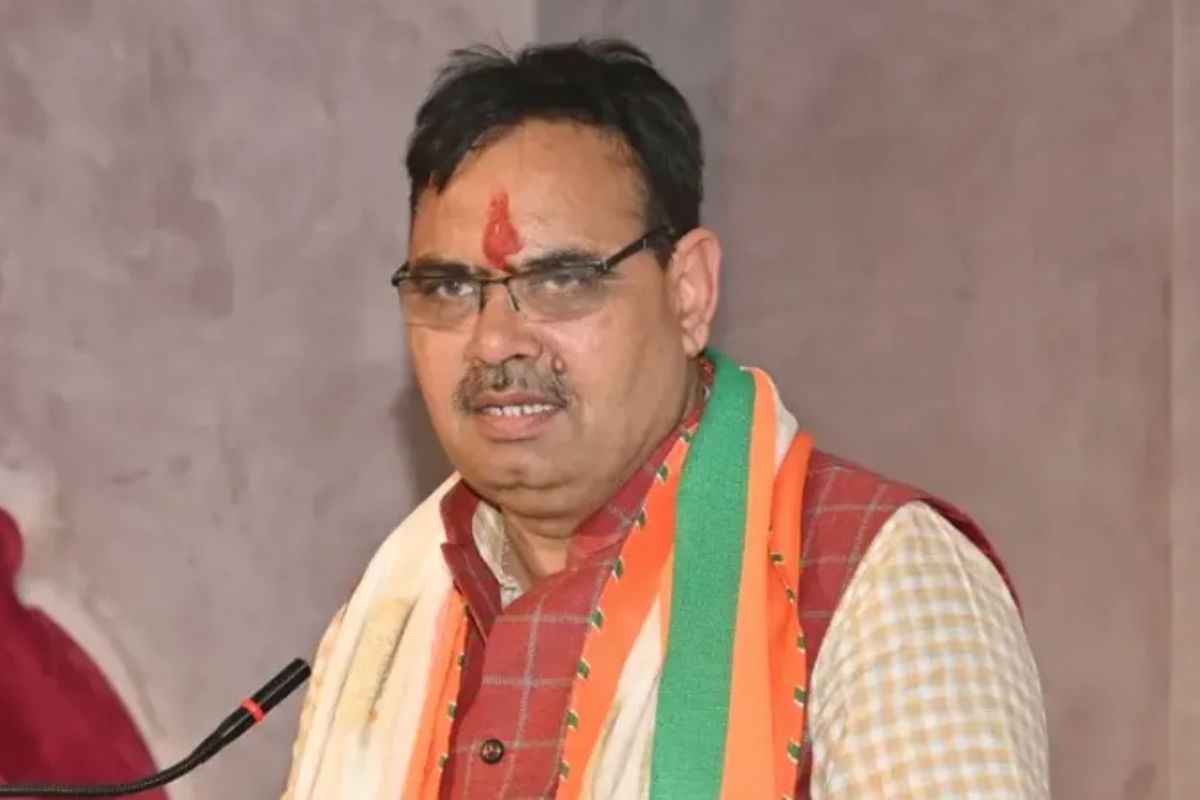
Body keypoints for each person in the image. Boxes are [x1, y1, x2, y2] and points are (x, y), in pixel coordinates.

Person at [284, 39, 1049, 799]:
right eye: (450, 289)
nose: (493, 341)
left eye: (562, 279)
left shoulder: (879, 583)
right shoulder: (393, 613)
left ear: (689, 292)